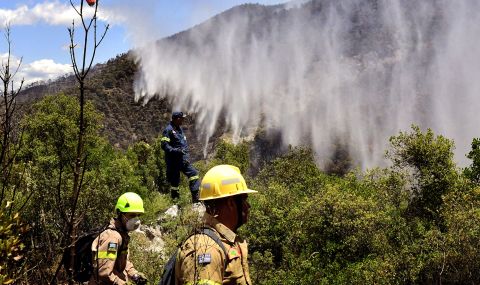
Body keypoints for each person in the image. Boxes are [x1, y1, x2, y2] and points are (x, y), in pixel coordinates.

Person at [175, 165, 258, 285]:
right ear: (230, 203)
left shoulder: (224, 241)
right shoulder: (206, 248)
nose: (248, 206)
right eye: (244, 199)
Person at [89, 192, 148, 285]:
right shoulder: (112, 238)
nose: (136, 220)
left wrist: (134, 274)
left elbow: (121, 261)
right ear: (120, 214)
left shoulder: (122, 235)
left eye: (138, 215)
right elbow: (104, 273)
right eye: (132, 215)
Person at [161, 111, 200, 203]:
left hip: (182, 160)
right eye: (182, 118)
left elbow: (183, 144)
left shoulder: (179, 129)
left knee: (194, 174)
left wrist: (186, 156)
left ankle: (195, 198)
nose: (183, 120)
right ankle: (176, 202)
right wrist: (176, 151)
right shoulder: (168, 130)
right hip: (173, 161)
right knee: (175, 182)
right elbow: (164, 145)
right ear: (177, 119)